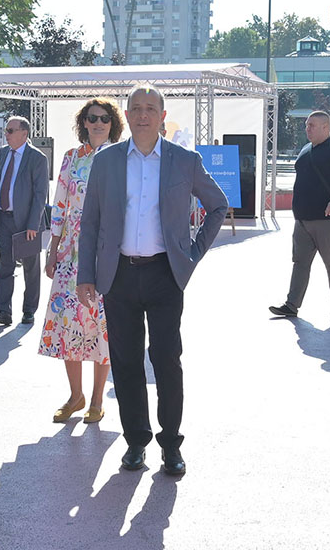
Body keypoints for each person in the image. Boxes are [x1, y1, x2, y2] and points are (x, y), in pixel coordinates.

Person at [76, 85, 228, 476]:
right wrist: (85, 275)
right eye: (136, 108)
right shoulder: (106, 161)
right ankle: (135, 442)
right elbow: (90, 221)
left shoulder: (184, 160)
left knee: (166, 360)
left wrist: (191, 254)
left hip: (165, 275)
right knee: (126, 362)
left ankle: (171, 444)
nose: (143, 115)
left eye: (150, 109)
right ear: (127, 115)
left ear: (162, 116)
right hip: (119, 276)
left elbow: (218, 206)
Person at [40, 98, 122, 424]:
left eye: (105, 118)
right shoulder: (71, 158)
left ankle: (98, 399)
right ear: (84, 123)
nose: (99, 123)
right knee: (66, 323)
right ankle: (76, 396)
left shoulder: (121, 157)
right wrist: (52, 250)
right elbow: (60, 205)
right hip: (71, 252)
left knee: (102, 326)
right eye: (93, 118)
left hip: (106, 252)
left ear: (112, 124)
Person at [269, 110, 330, 321]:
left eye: (312, 125)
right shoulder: (305, 149)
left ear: (326, 127)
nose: (307, 129)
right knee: (300, 263)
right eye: (307, 125)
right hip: (302, 219)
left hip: (327, 219)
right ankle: (291, 305)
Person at [0, 115, 48, 326]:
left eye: (10, 131)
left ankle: (29, 310)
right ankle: (3, 311)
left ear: (24, 133)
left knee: (30, 268)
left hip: (26, 223)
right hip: (4, 218)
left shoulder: (37, 158)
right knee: (5, 265)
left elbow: (40, 195)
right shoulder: (4, 152)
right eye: (6, 130)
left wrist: (33, 225)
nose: (6, 134)